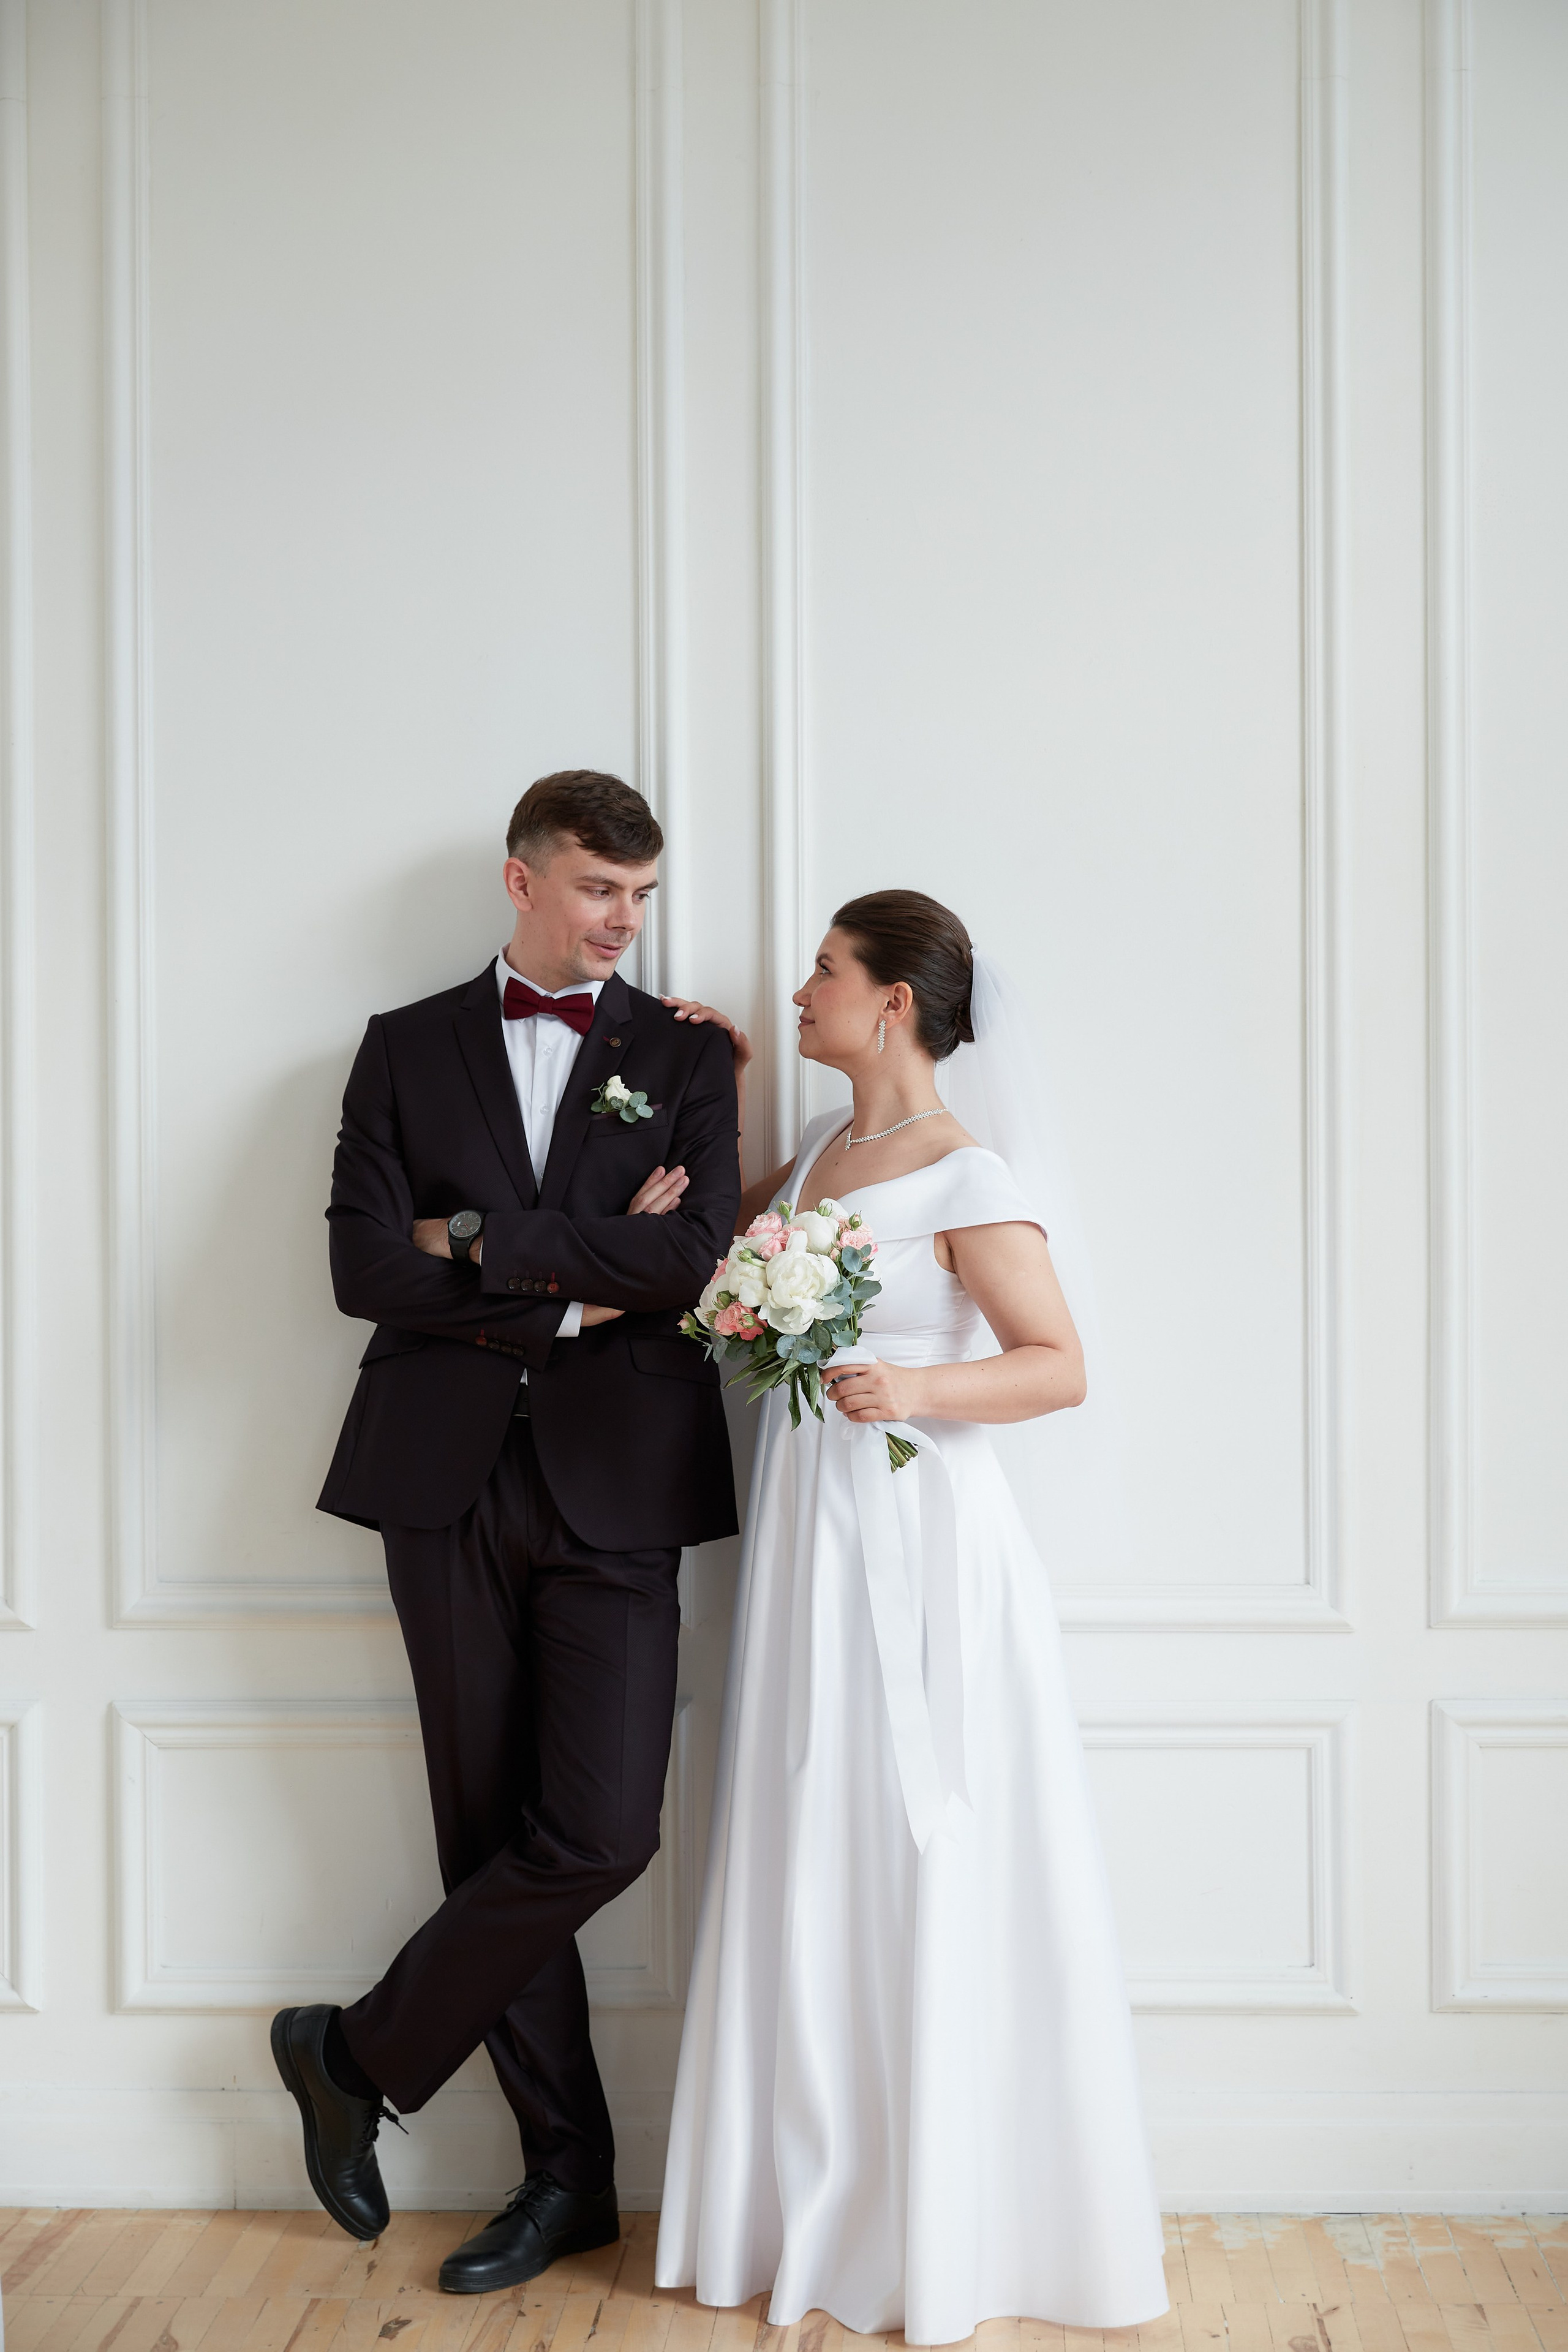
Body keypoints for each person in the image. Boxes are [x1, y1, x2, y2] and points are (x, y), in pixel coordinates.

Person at [654, 891, 1169, 2345]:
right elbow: (718, 1251)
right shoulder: (820, 1153)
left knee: (911, 1826)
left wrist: (917, 1388)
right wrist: (715, 1076)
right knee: (814, 1825)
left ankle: (944, 2211)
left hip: (922, 1536)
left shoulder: (965, 1172)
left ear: (891, 1002)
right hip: (809, 1540)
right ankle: (818, 2190)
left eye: (824, 968)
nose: (802, 983)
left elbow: (1056, 1365)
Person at [272, 770, 742, 2291]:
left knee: (599, 1831)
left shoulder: (681, 1052)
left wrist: (477, 1237)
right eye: (599, 890)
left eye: (642, 896)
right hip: (441, 1476)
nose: (624, 921)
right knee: (488, 1833)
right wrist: (574, 1279)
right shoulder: (400, 1050)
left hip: (619, 1479)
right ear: (520, 880)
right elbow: (361, 1271)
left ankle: (349, 2051)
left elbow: (693, 1254)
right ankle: (566, 2184)